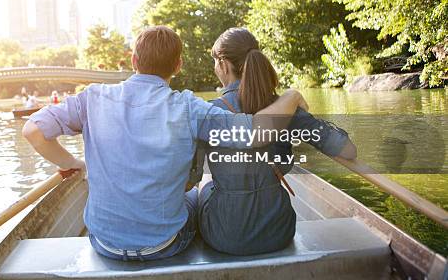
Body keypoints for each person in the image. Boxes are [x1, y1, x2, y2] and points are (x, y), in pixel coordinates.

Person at [22, 26, 307, 262]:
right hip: (165, 245)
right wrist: (291, 98)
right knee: (196, 194)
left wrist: (71, 163)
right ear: (178, 66)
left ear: (133, 61)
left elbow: (33, 131)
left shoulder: (91, 98)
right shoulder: (188, 107)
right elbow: (254, 133)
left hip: (104, 243)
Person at [196, 27, 357, 256]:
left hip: (226, 237)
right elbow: (347, 150)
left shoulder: (209, 111)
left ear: (222, 64)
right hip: (278, 233)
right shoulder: (286, 108)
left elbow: (190, 171)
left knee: (204, 186)